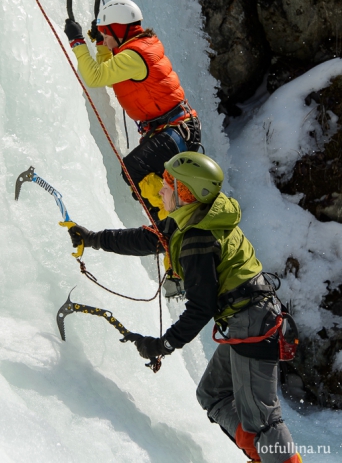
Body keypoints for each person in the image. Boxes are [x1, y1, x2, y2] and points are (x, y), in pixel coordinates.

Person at [66, 152, 301, 463]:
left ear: (186, 193)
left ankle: (272, 454)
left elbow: (200, 308)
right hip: (252, 316)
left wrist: (162, 345)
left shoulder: (198, 239)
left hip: (252, 321)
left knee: (264, 421)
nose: (161, 190)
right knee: (212, 395)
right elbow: (148, 239)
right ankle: (260, 454)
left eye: (168, 185)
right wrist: (93, 239)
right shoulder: (195, 217)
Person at [63, 0, 201, 224]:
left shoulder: (134, 55)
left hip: (175, 130)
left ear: (118, 30)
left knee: (133, 169)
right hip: (178, 129)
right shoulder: (139, 47)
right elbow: (110, 75)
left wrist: (77, 41)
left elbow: (95, 77)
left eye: (106, 34)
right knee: (146, 174)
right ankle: (170, 224)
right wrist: (100, 44)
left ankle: (166, 228)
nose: (105, 40)